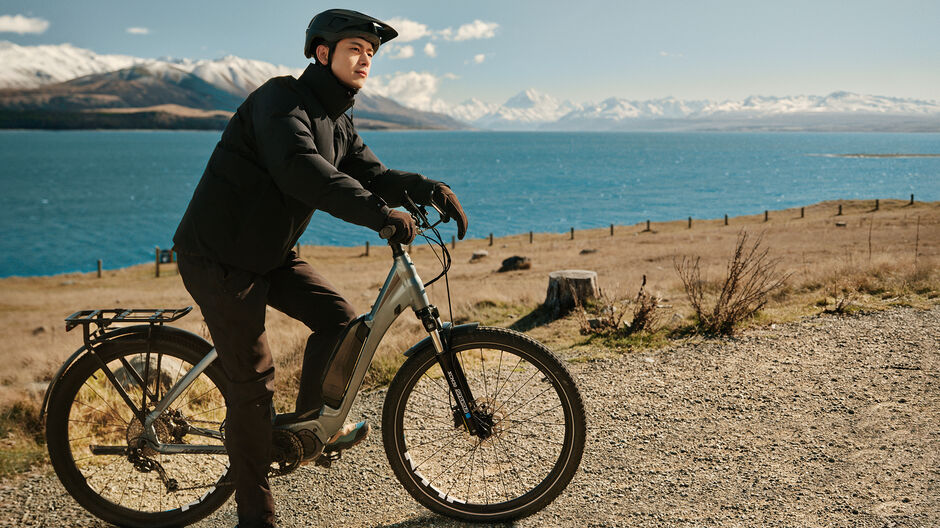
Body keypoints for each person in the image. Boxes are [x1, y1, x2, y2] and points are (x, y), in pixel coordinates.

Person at [171, 9, 468, 528]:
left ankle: (305, 430)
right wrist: (380, 216)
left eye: (372, 52)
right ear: (322, 52)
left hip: (267, 254)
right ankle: (255, 517)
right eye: (356, 48)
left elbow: (371, 172)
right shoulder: (279, 99)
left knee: (340, 321)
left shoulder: (338, 118)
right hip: (218, 257)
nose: (366, 59)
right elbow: (301, 171)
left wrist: (424, 188)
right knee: (253, 385)